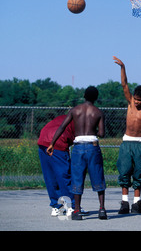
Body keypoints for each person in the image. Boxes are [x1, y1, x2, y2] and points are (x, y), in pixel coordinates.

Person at [47, 86, 107, 220]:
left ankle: (77, 211)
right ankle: (102, 209)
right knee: (97, 176)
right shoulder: (98, 112)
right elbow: (102, 133)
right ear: (96, 98)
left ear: (84, 96)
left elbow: (62, 127)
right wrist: (93, 133)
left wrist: (52, 143)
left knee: (77, 177)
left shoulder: (75, 110)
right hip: (93, 146)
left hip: (78, 147)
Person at [113, 56, 141, 214]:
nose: (137, 102)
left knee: (139, 173)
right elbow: (124, 84)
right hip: (127, 143)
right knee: (124, 172)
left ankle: (137, 204)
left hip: (140, 145)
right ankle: (124, 204)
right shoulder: (130, 103)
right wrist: (123, 67)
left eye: (139, 100)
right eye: (136, 99)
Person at [38, 115, 76, 217]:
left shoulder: (63, 117)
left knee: (50, 177)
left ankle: (56, 206)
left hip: (43, 141)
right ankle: (71, 207)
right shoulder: (80, 121)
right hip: (58, 142)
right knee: (64, 176)